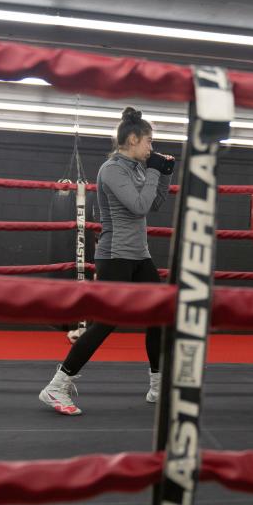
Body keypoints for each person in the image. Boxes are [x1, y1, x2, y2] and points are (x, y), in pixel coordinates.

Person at [39, 107, 174, 416]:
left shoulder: (138, 168)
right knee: (107, 322)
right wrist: (154, 170)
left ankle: (157, 385)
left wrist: (163, 175)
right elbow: (138, 206)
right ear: (133, 139)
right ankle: (56, 386)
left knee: (161, 315)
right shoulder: (111, 170)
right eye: (149, 142)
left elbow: (154, 203)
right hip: (115, 256)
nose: (152, 148)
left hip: (139, 256)